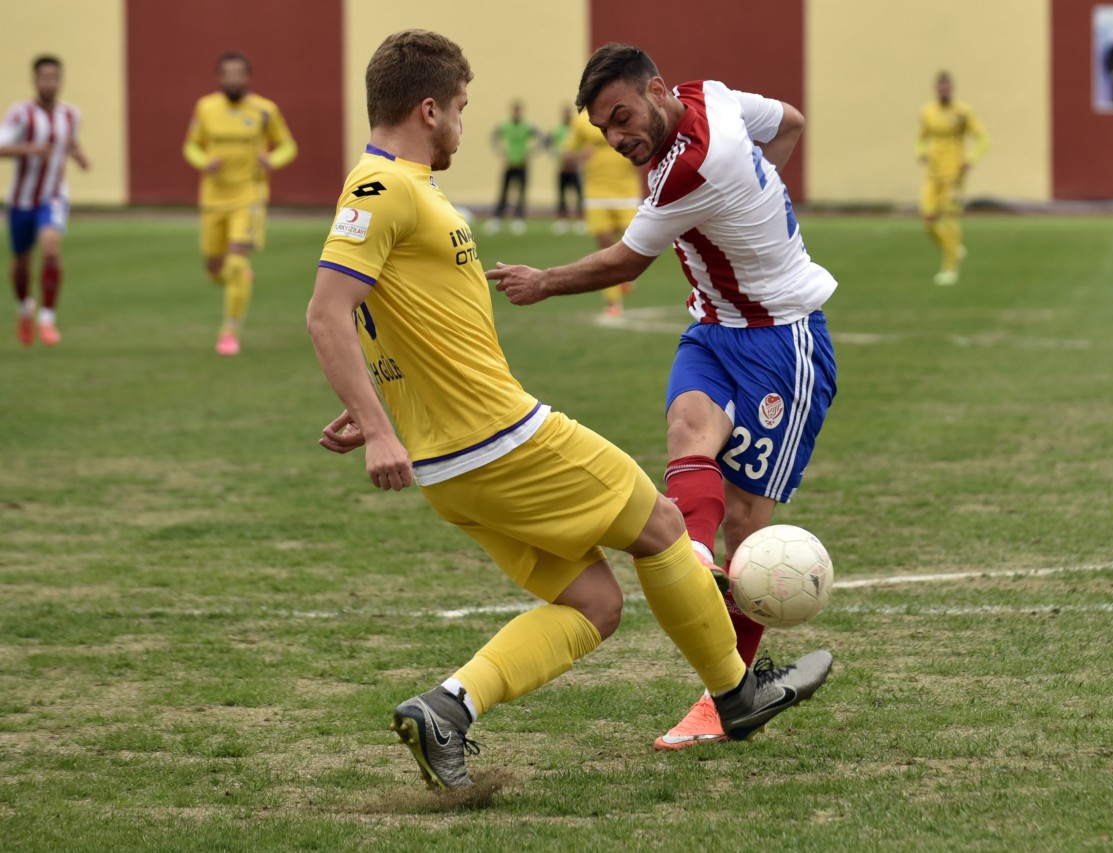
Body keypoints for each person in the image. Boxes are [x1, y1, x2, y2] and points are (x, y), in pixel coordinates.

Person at [307, 29, 833, 791]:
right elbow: (329, 313)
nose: (462, 122)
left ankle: (447, 709)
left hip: (451, 467)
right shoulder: (382, 187)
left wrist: (379, 402)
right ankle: (736, 690)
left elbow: (399, 321)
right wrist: (380, 425)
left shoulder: (402, 188)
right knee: (661, 528)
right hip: (498, 439)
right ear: (428, 110)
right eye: (458, 108)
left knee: (592, 602)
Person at [486, 43, 838, 752]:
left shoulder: (692, 168)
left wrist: (543, 281)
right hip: (714, 327)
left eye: (622, 118)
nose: (618, 140)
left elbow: (625, 260)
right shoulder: (708, 92)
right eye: (605, 132)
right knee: (686, 428)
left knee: (749, 522)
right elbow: (791, 122)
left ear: (654, 90)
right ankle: (694, 562)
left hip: (784, 341)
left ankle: (725, 695)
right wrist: (758, 202)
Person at [183, 51, 297, 356]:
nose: (233, 79)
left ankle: (229, 331)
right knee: (214, 266)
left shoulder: (264, 110)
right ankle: (240, 280)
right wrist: (204, 161)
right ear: (220, 77)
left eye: (238, 73)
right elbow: (191, 145)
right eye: (227, 74)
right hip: (213, 198)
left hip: (249, 196)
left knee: (236, 261)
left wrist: (271, 160)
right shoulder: (206, 108)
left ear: (247, 77)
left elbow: (288, 145)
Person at [0, 55, 90, 347]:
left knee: (51, 248)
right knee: (22, 262)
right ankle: (26, 308)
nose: (49, 83)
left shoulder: (71, 114)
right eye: (44, 78)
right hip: (20, 200)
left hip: (52, 196)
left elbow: (70, 141)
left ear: (60, 80)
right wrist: (28, 148)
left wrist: (78, 155)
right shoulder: (20, 113)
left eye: (54, 77)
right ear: (35, 80)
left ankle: (47, 319)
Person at [565, 106, 643, 318]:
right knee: (605, 247)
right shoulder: (581, 121)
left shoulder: (625, 110)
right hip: (596, 192)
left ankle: (626, 276)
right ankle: (612, 301)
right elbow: (567, 155)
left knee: (632, 244)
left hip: (627, 191)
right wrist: (582, 155)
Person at [916, 70, 988, 287]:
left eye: (947, 86)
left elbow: (983, 139)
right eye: (940, 86)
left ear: (952, 88)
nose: (944, 90)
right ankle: (953, 248)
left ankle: (949, 268)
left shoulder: (963, 112)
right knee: (928, 222)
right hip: (933, 176)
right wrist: (921, 152)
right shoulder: (927, 112)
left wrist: (971, 159)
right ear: (936, 88)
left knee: (950, 220)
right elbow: (921, 139)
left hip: (954, 177)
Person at [483, 101, 539, 236]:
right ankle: (497, 219)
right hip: (509, 164)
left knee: (521, 193)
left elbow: (542, 139)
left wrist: (531, 153)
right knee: (503, 192)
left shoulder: (527, 126)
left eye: (519, 110)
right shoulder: (505, 125)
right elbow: (493, 138)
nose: (517, 113)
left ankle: (518, 219)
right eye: (515, 110)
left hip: (522, 164)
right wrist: (500, 152)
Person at [547, 105, 584, 236]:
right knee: (562, 194)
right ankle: (563, 219)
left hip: (575, 167)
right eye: (565, 113)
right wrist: (557, 157)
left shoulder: (576, 128)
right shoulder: (557, 129)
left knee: (579, 194)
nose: (567, 115)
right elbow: (551, 144)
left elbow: (582, 145)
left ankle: (580, 219)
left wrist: (577, 159)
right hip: (561, 167)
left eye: (568, 113)